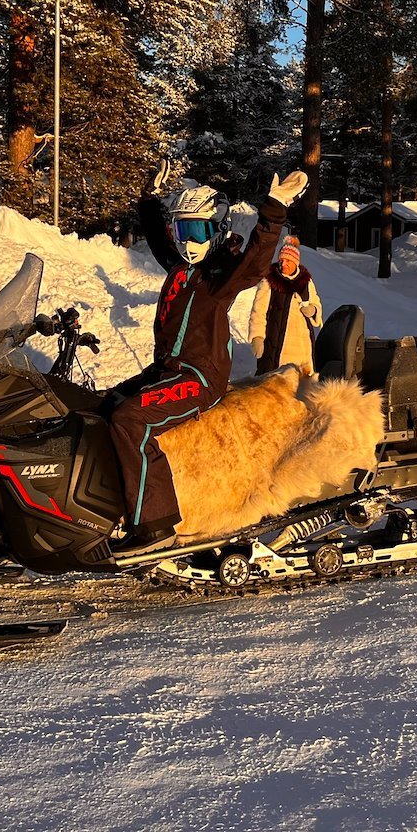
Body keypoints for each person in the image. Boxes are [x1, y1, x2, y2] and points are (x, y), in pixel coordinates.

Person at [110, 161, 307, 555]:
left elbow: (255, 262)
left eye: (198, 231)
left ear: (217, 230)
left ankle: (155, 524)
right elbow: (159, 240)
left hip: (198, 378)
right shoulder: (182, 269)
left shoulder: (219, 277)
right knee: (107, 404)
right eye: (183, 230)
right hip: (167, 370)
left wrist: (274, 211)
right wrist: (149, 200)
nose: (189, 241)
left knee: (129, 421)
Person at [249, 236, 323, 374]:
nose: (283, 264)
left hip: (302, 345)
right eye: (281, 260)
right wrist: (257, 337)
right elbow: (258, 311)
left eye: (288, 261)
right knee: (276, 381)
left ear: (296, 262)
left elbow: (315, 302)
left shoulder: (305, 281)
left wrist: (313, 310)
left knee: (302, 380)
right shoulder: (270, 280)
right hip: (276, 342)